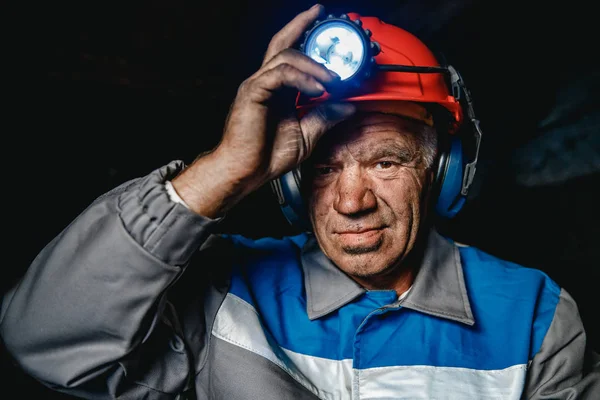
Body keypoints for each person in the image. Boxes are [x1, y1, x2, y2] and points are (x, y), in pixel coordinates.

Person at [1, 4, 598, 399]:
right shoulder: (223, 294)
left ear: (444, 170)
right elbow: (43, 337)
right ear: (288, 182)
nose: (350, 200)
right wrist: (225, 172)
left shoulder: (536, 318)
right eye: (321, 167)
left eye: (386, 162)